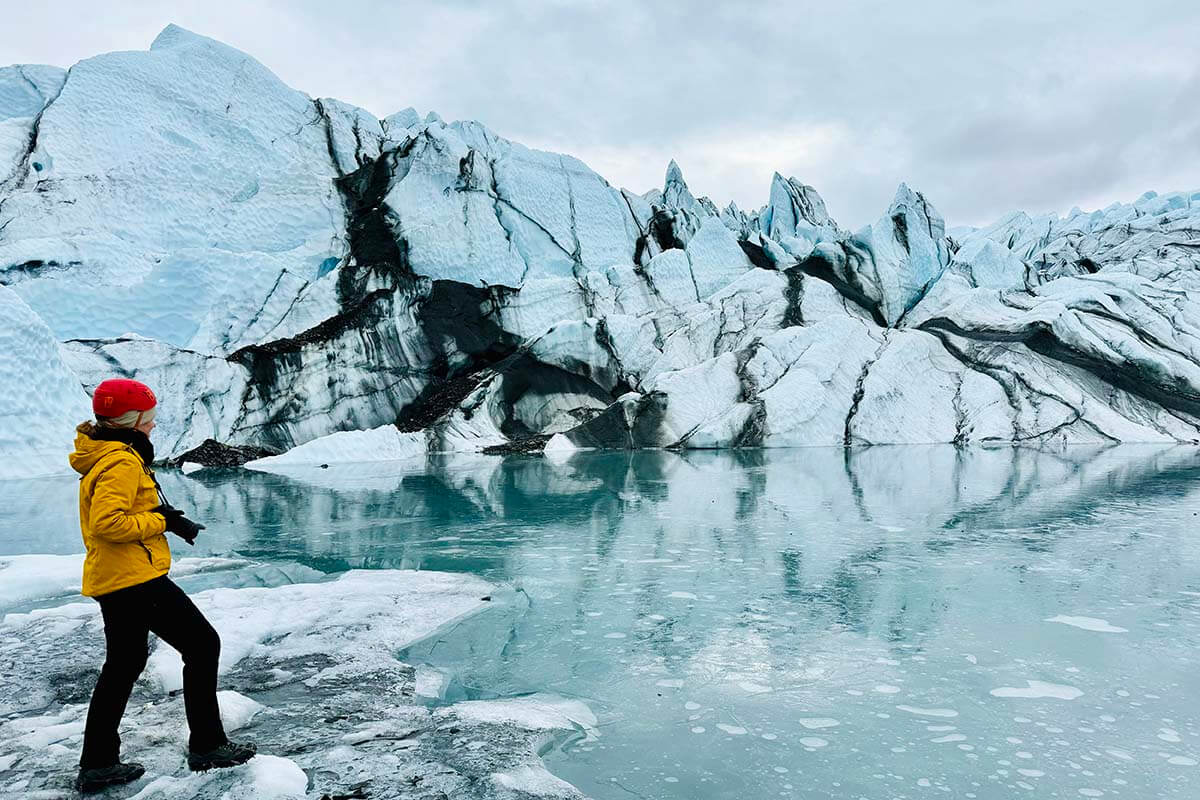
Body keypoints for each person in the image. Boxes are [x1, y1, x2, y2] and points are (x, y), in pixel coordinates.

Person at [69, 378, 256, 793]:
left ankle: (98, 762)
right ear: (133, 420)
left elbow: (127, 506)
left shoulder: (110, 454)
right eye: (149, 421)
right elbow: (108, 522)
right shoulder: (120, 461)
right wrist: (160, 522)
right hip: (134, 579)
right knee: (203, 644)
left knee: (123, 666)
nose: (153, 427)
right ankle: (208, 745)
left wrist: (171, 519)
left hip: (117, 577)